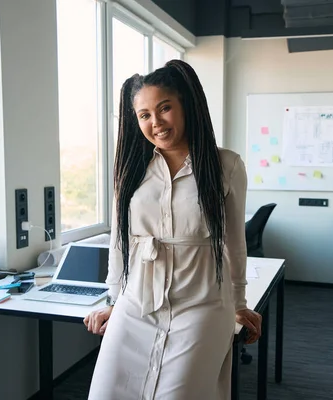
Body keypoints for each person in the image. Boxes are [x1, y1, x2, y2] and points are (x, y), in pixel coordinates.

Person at [83, 59, 262, 400]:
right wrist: (113, 301)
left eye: (164, 108)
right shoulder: (131, 171)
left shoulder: (226, 166)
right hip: (137, 305)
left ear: (185, 106)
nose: (156, 122)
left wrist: (239, 303)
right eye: (144, 115)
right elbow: (121, 246)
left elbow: (234, 244)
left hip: (202, 306)